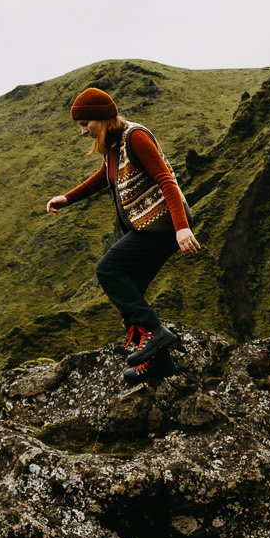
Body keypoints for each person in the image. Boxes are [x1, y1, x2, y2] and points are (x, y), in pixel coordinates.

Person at [45, 86, 200, 383]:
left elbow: (167, 181)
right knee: (130, 291)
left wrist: (181, 228)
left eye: (84, 124)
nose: (82, 132)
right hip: (149, 227)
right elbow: (106, 176)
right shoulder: (114, 144)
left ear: (100, 118)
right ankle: (160, 362)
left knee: (109, 270)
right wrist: (67, 198)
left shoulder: (135, 137)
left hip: (163, 225)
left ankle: (155, 334)